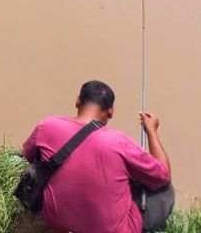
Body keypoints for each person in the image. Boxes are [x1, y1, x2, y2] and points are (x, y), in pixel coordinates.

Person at [22, 80, 172, 233]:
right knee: (165, 191)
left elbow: (27, 156)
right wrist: (152, 130)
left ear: (78, 101)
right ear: (111, 111)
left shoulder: (47, 126)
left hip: (56, 223)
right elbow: (163, 175)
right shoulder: (120, 142)